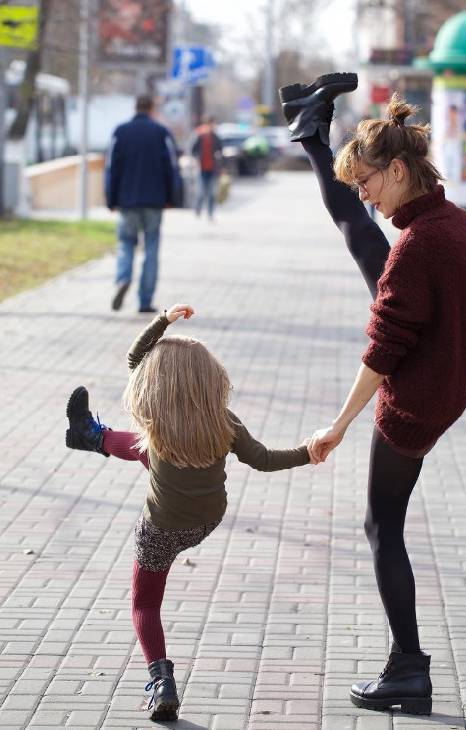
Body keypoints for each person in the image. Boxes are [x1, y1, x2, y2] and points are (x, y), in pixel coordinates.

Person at [279, 73, 466, 715]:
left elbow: (382, 355)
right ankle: (311, 130)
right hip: (438, 387)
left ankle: (408, 668)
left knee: (383, 527)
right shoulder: (454, 223)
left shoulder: (418, 248)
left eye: (370, 181)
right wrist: (458, 363)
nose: (369, 194)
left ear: (401, 170)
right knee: (357, 233)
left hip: (414, 403)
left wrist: (338, 425)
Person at [64, 303, 313, 721]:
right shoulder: (224, 421)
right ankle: (90, 435)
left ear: (157, 381)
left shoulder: (155, 418)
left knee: (145, 604)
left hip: (161, 527)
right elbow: (266, 459)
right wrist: (310, 452)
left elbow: (134, 359)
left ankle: (162, 683)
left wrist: (162, 320)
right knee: (152, 449)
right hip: (205, 520)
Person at [105, 95, 182, 313]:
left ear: (135, 107)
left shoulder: (120, 132)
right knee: (151, 248)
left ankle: (122, 279)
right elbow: (172, 167)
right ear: (151, 109)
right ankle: (145, 301)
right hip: (154, 201)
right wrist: (172, 197)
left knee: (126, 242)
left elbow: (111, 167)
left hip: (127, 200)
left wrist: (111, 199)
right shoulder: (161, 133)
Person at [191, 115, 223, 220]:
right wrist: (196, 159)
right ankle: (197, 210)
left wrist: (221, 165)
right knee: (200, 191)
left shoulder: (215, 137)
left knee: (211, 193)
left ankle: (210, 213)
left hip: (212, 168)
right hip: (201, 168)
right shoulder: (199, 135)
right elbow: (193, 149)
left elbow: (220, 150)